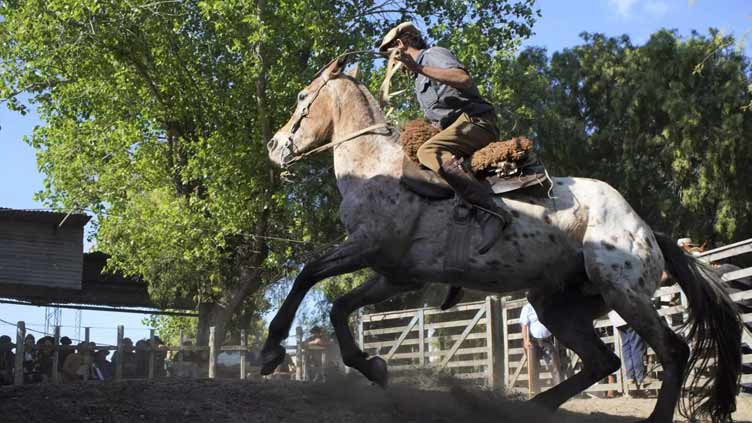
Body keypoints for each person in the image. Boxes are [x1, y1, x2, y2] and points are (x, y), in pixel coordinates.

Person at [379, 22, 512, 254]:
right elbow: (437, 121)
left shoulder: (432, 55)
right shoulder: (418, 83)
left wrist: (419, 68)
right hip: (456, 131)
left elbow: (463, 79)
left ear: (401, 44)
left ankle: (491, 212)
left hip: (476, 122)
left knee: (429, 152)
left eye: (390, 53)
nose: (391, 64)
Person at [519, 303, 561, 392]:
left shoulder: (545, 305)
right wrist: (526, 341)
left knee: (555, 364)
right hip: (533, 341)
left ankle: (560, 390)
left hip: (546, 340)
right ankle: (535, 392)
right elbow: (524, 325)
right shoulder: (527, 308)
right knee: (533, 368)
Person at [609, 310, 653, 392]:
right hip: (628, 316)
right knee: (636, 345)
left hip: (615, 318)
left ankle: (630, 376)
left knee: (626, 346)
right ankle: (641, 376)